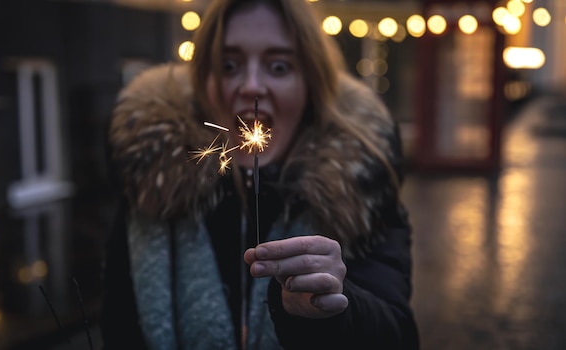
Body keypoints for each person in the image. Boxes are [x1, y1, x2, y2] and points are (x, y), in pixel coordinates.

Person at [101, 0, 419, 349]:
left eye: (279, 66)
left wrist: (333, 312)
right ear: (203, 79)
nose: (251, 85)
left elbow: (396, 335)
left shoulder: (362, 191)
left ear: (310, 84)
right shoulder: (151, 188)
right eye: (229, 65)